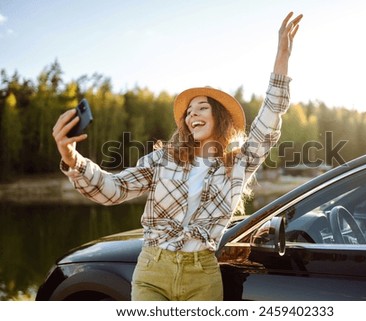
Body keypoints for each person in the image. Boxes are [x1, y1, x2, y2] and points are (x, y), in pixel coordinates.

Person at [52, 11, 303, 301]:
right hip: (153, 270)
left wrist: (282, 57)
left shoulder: (238, 164)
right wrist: (73, 159)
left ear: (220, 117)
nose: (191, 114)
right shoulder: (164, 160)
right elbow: (113, 190)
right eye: (188, 112)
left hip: (203, 275)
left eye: (201, 108)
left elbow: (269, 119)